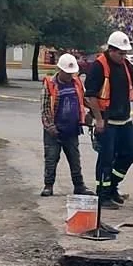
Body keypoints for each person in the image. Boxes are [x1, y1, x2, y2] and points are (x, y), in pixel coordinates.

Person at [84, 31, 133, 209]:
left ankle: (112, 187)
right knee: (106, 158)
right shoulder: (98, 66)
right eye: (121, 53)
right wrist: (99, 119)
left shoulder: (125, 63)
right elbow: (91, 96)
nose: (123, 56)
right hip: (107, 120)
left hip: (124, 119)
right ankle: (102, 195)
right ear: (111, 50)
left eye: (125, 53)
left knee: (130, 152)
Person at [40, 53, 93, 197]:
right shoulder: (50, 84)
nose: (70, 75)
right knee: (51, 158)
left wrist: (93, 112)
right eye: (67, 73)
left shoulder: (76, 83)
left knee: (75, 160)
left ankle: (79, 186)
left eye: (72, 73)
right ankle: (48, 185)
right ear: (60, 70)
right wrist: (50, 127)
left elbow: (84, 100)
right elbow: (45, 108)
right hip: (54, 130)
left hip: (72, 129)